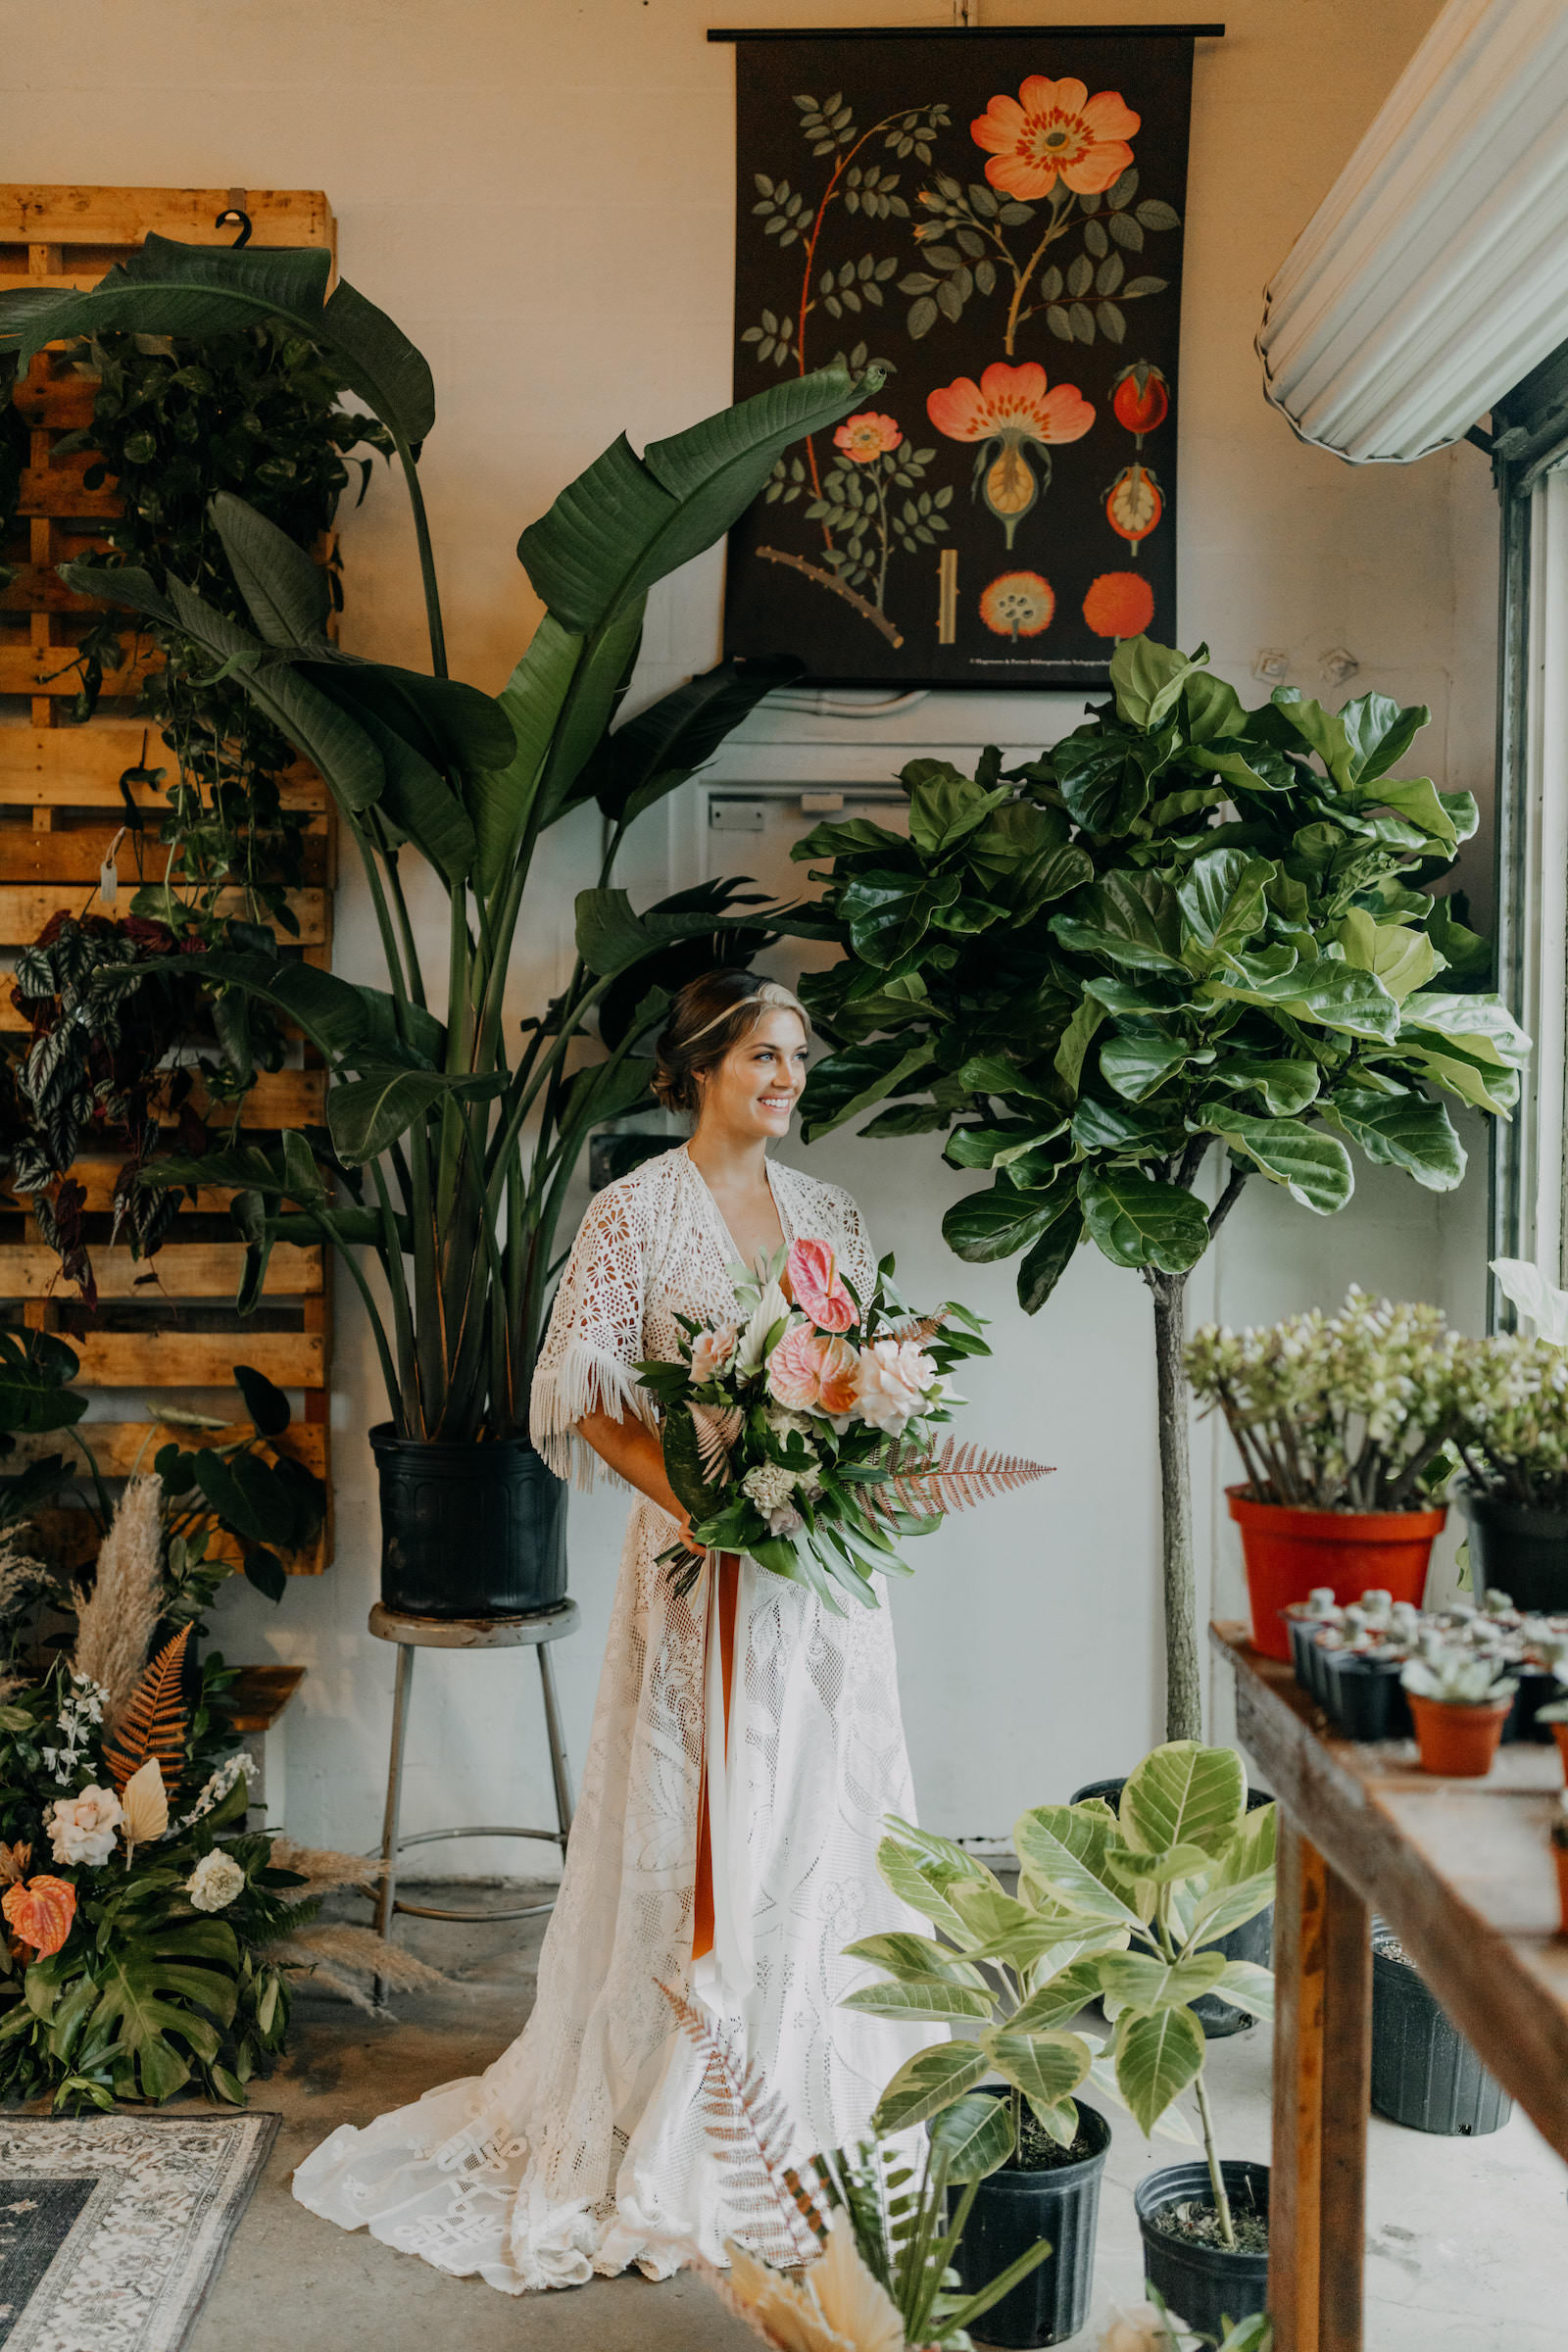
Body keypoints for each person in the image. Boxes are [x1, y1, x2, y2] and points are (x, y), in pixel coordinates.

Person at [292, 968, 941, 2292]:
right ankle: (672, 2092)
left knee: (818, 1805)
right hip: (699, 1557)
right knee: (686, 1814)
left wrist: (855, 1448)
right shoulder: (631, 1214)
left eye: (798, 1059)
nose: (786, 1079)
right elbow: (576, 1390)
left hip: (819, 1577)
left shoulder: (833, 1214)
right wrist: (695, 1500)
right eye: (763, 1055)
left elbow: (861, 1375)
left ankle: (807, 2086)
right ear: (699, 1065)